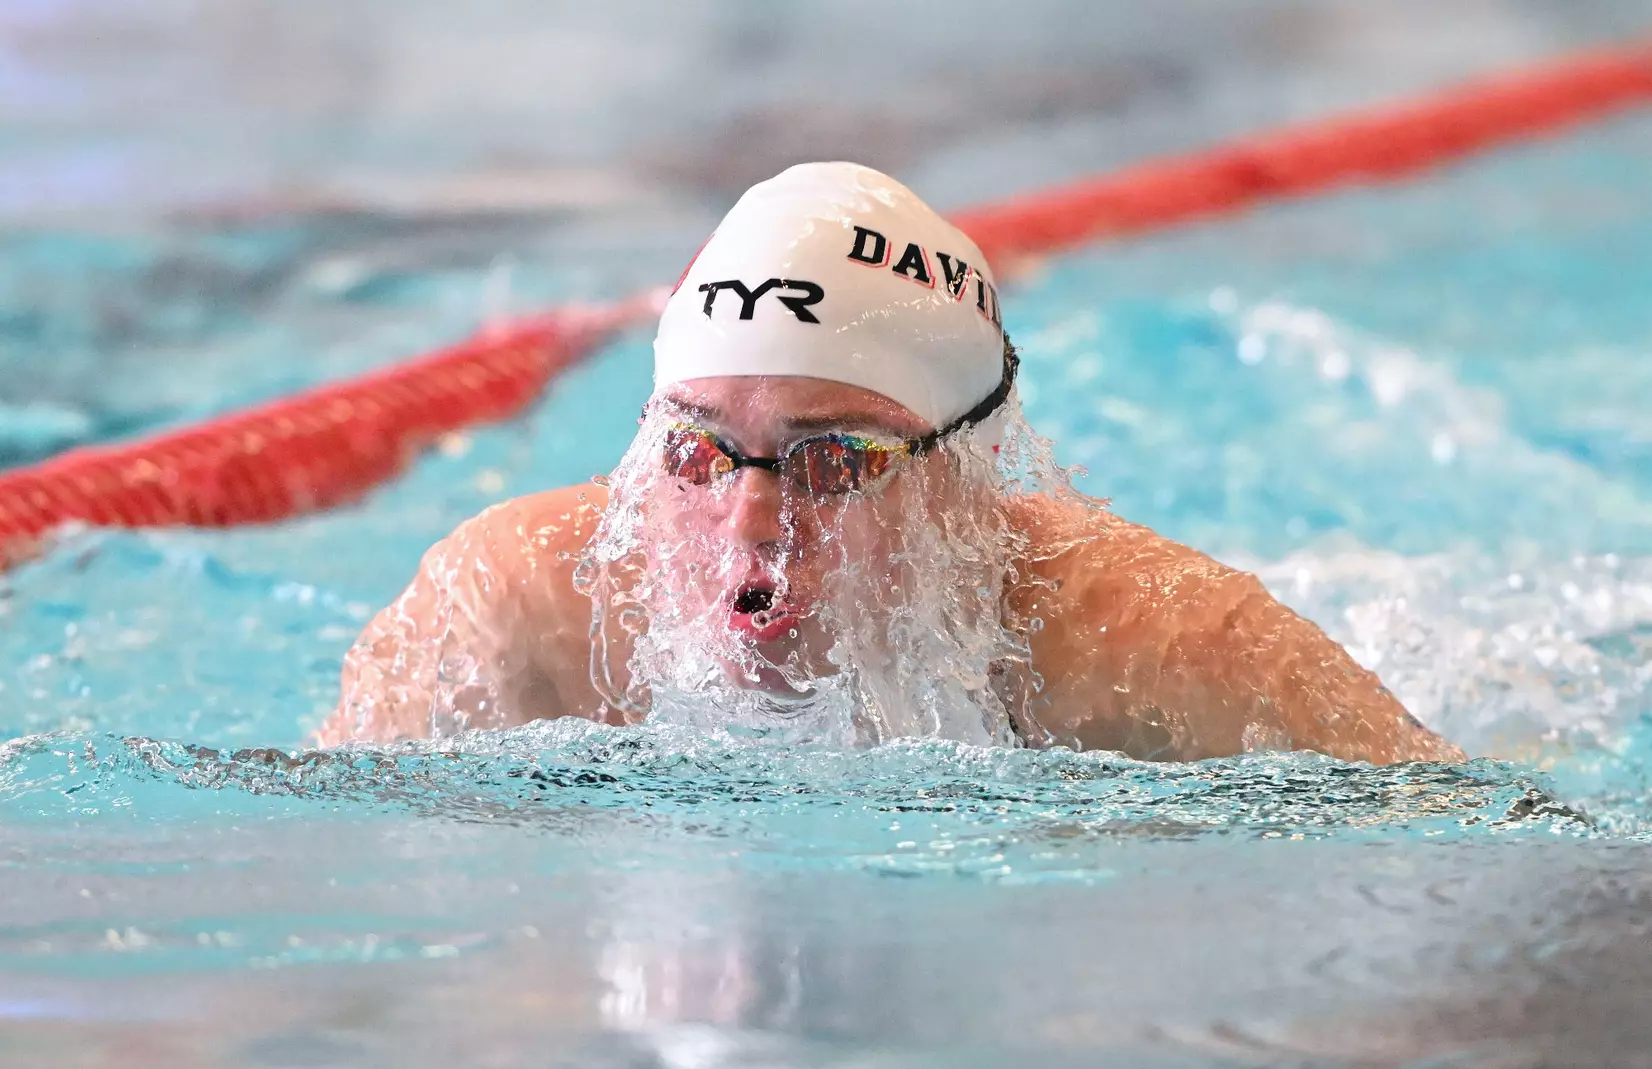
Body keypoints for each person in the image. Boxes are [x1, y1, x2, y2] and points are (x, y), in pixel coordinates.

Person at [318, 162, 1463, 764]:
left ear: (964, 479)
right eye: (698, 451)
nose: (750, 519)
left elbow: (1458, 835)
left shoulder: (1160, 650)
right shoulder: (509, 611)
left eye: (832, 460)